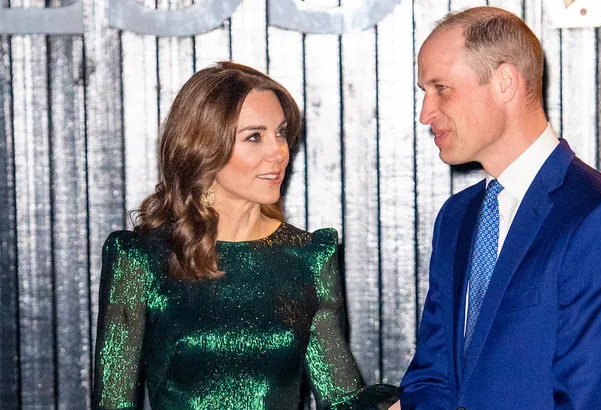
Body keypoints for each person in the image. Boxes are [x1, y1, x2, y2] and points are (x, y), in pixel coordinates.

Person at [92, 61, 398, 410]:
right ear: (203, 147)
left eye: (281, 133)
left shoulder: (309, 258)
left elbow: (340, 398)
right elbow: (112, 403)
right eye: (255, 137)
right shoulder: (140, 259)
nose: (279, 152)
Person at [399, 6, 601, 409]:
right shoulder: (457, 217)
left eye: (441, 88)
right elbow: (432, 375)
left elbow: (585, 401)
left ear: (504, 82)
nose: (425, 114)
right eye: (424, 92)